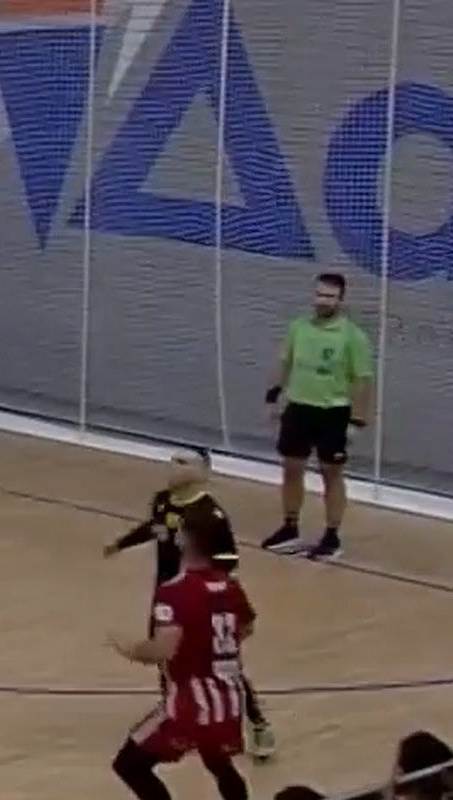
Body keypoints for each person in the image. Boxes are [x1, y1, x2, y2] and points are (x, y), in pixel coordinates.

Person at [104, 447, 276, 761]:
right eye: (172, 460)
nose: (173, 466)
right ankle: (176, 715)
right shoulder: (162, 500)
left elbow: (229, 561)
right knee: (167, 658)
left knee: (220, 664)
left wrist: (218, 600)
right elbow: (154, 527)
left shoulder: (210, 515)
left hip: (202, 599)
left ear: (201, 472)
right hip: (167, 594)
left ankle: (258, 722)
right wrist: (121, 544)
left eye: (183, 462)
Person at [107, 502, 257, 800]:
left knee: (129, 765)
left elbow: (162, 648)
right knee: (218, 762)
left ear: (184, 539)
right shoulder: (231, 586)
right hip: (228, 699)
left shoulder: (175, 591)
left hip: (190, 702)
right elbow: (246, 628)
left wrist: (129, 649)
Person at [262, 272, 374, 561]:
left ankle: (331, 535)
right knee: (291, 467)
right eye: (319, 294)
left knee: (331, 473)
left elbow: (362, 381)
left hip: (333, 413)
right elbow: (285, 363)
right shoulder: (298, 327)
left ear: (341, 300)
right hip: (299, 408)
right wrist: (272, 397)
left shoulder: (353, 337)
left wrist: (357, 421)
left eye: (330, 296)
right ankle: (290, 527)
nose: (323, 301)